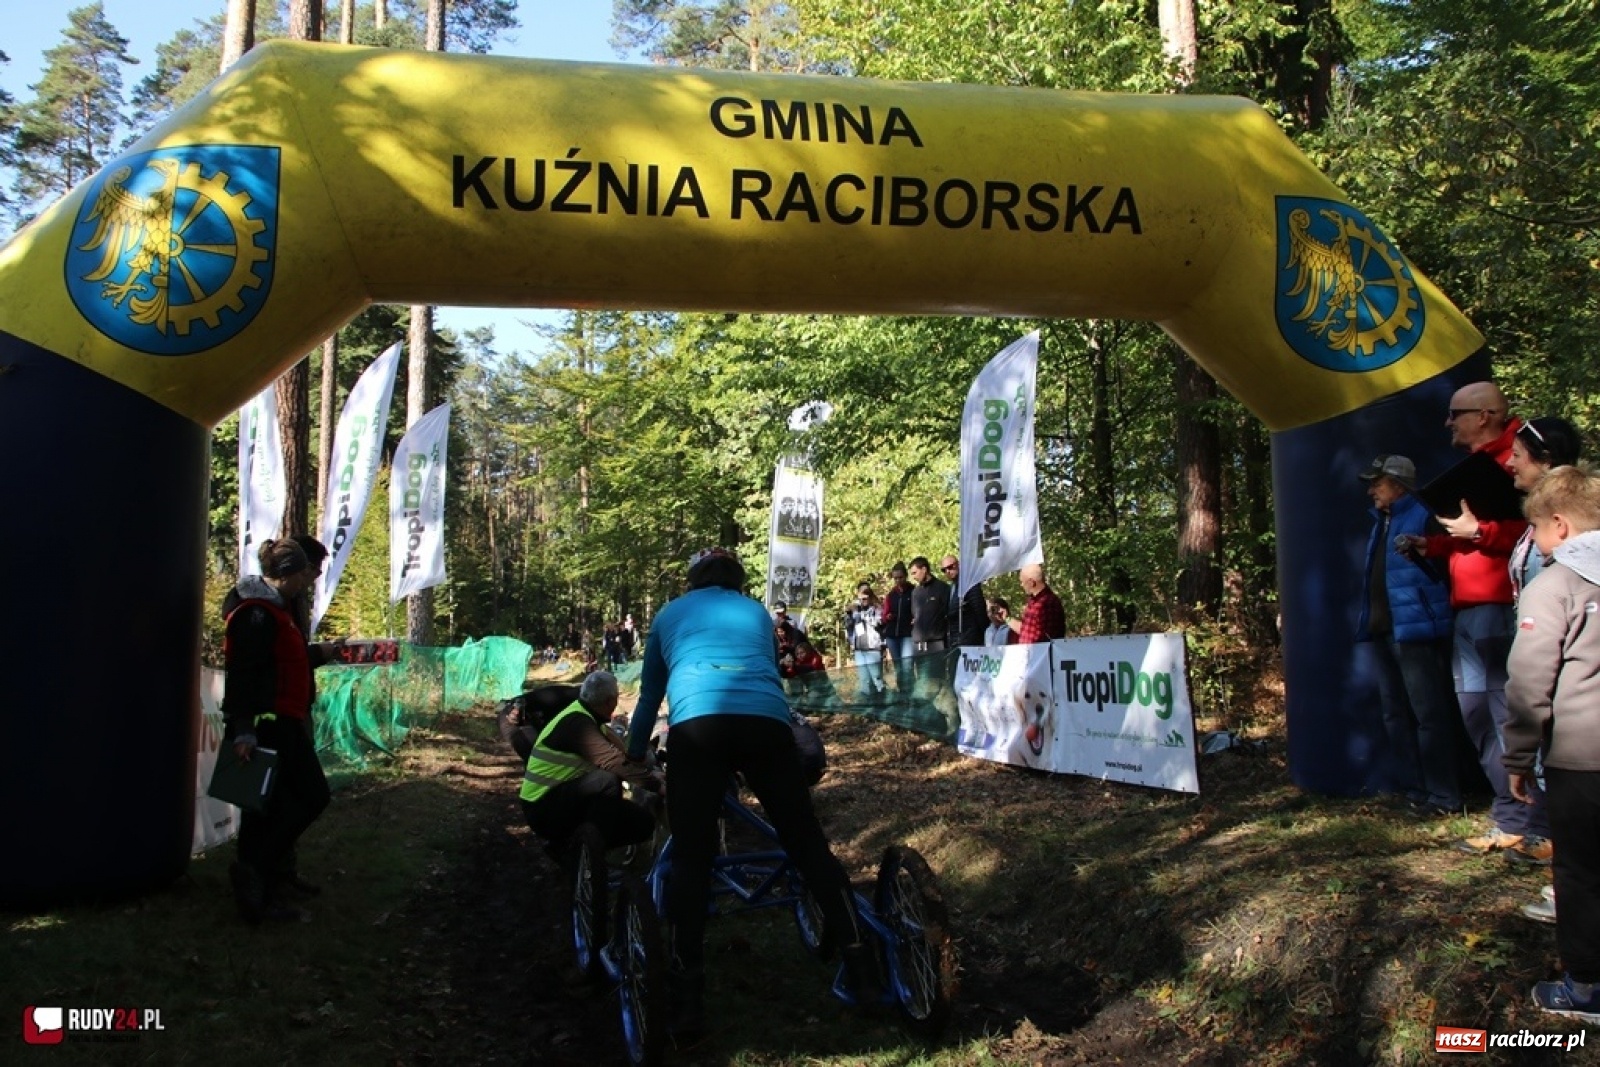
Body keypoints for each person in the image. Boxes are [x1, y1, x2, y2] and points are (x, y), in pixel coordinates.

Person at [626, 547, 876, 1036]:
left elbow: (650, 695)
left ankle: (687, 992)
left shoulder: (670, 614)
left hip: (699, 725)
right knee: (806, 843)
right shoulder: (756, 612)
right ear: (736, 579)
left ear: (692, 580)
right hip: (765, 722)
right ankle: (861, 960)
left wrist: (636, 751)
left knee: (692, 858)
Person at [1408, 382, 1549, 863]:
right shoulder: (1478, 466)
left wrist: (1481, 531)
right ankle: (1509, 818)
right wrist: (1439, 545)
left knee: (1509, 712)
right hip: (1465, 608)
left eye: (1455, 414)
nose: (1449, 423)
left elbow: (1542, 532)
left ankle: (1539, 825)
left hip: (1500, 607)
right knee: (1475, 714)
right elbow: (1474, 536)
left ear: (1486, 414)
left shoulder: (1524, 457)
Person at [1503, 467, 1600, 1021]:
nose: (1535, 542)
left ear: (1560, 525)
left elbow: (1529, 680)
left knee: (1582, 872)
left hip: (1582, 761)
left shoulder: (1555, 585)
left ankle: (1585, 987)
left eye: (1536, 530)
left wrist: (1518, 756)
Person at [222, 538, 338, 923]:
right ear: (286, 573)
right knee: (310, 796)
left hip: (283, 720)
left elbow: (283, 662)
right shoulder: (256, 614)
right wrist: (243, 730)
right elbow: (242, 673)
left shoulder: (278, 610)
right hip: (268, 725)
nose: (308, 579)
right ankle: (254, 872)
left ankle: (260, 890)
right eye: (303, 571)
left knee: (268, 809)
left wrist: (319, 655)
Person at [1355, 454, 1461, 816]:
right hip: (1384, 630)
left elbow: (1443, 566)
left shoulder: (1423, 516)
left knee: (1428, 713)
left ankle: (1444, 796)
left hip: (1415, 630)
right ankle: (1413, 790)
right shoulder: (1381, 523)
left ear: (1398, 485)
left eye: (1377, 483)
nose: (1371, 490)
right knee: (1394, 714)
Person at [519, 671, 658, 856]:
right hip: (542, 807)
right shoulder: (578, 723)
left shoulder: (587, 714)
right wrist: (657, 785)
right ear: (610, 701)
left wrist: (649, 771)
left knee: (644, 824)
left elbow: (622, 751)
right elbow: (614, 762)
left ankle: (575, 846)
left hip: (562, 797)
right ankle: (588, 857)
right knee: (607, 780)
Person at [842, 582, 886, 704]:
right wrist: (850, 615)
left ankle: (881, 700)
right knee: (864, 679)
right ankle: (867, 703)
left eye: (865, 598)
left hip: (873, 648)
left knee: (876, 677)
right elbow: (848, 626)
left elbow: (879, 623)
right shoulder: (855, 608)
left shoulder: (877, 608)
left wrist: (862, 615)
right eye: (860, 599)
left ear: (870, 596)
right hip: (859, 648)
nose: (863, 601)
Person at [880, 562, 916, 696]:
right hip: (892, 634)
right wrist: (887, 617)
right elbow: (884, 615)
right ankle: (902, 693)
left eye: (900, 577)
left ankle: (911, 693)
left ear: (906, 576)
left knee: (907, 665)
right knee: (898, 666)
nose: (898, 581)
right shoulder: (891, 595)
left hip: (908, 634)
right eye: (895, 578)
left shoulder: (914, 591)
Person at [1009, 563, 1067, 644]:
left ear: (1031, 582)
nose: (1021, 585)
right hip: (1029, 654)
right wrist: (1006, 618)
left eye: (1022, 582)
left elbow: (1047, 638)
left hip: (1040, 655)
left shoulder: (1048, 602)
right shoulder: (1033, 601)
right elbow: (1026, 631)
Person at [941, 555, 987, 648]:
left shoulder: (970, 584)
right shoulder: (951, 588)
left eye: (950, 567)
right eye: (944, 570)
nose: (947, 571)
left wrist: (984, 634)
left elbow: (980, 610)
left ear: (958, 565)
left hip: (971, 639)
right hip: (955, 639)